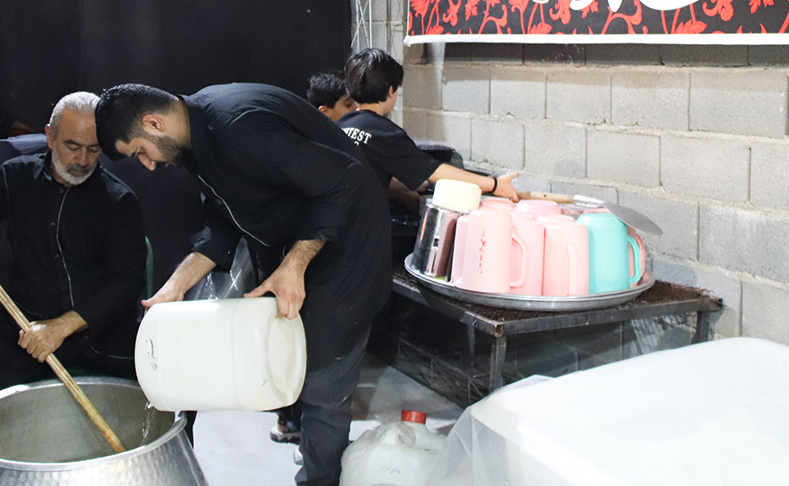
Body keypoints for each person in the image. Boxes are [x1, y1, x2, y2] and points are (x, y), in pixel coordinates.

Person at [95, 82, 391, 486]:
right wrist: (177, 284)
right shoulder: (196, 144)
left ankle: (320, 477)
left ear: (153, 123)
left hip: (349, 243)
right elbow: (222, 222)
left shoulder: (238, 127)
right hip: (299, 239)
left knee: (324, 375)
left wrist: (294, 264)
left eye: (140, 152)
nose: (147, 165)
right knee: (288, 352)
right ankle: (302, 432)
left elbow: (344, 180)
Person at [0, 91, 147, 472]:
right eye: (72, 146)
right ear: (50, 136)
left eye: (94, 149)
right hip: (26, 331)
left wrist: (61, 327)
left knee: (173, 379)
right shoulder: (16, 176)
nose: (83, 160)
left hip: (100, 336)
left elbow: (126, 284)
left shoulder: (119, 202)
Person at [340, 49, 520, 212]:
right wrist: (494, 184)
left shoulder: (341, 125)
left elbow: (366, 172)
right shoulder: (385, 133)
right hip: (360, 228)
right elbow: (437, 172)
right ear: (391, 91)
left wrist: (413, 182)